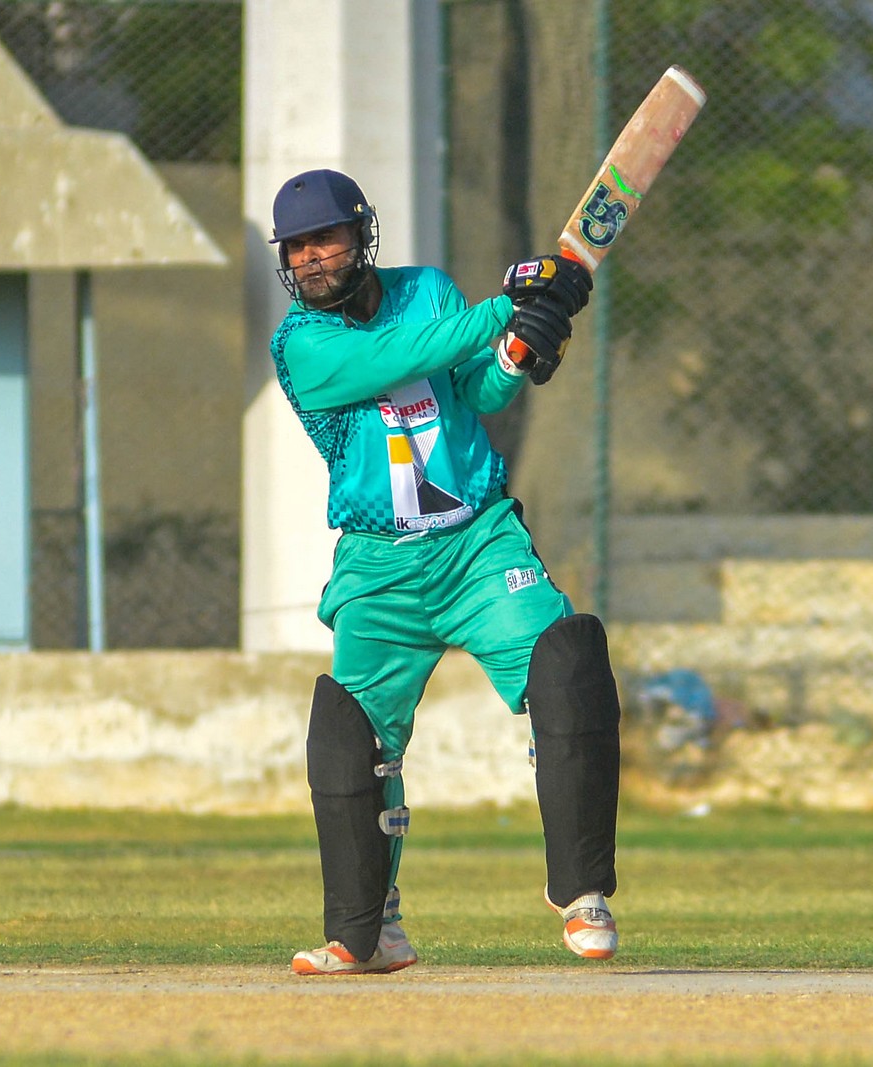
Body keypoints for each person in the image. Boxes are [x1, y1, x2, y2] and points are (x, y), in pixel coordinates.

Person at [266, 169, 623, 976]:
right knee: (354, 737)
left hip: (477, 544)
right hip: (378, 566)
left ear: (362, 235)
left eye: (326, 239)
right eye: (297, 247)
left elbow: (478, 389)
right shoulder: (300, 344)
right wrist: (504, 308)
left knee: (566, 665)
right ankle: (368, 932)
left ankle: (582, 893)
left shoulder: (427, 291)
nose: (312, 257)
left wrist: (521, 345)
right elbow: (400, 356)